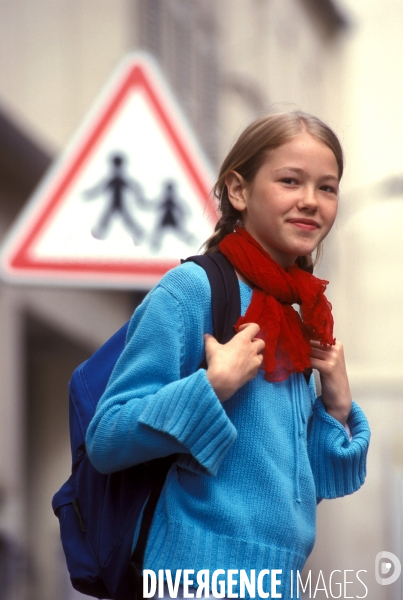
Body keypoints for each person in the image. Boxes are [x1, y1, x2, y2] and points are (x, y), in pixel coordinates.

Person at [86, 111, 370, 599]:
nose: (311, 201)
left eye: (327, 187)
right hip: (191, 578)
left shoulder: (300, 312)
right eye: (289, 181)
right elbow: (107, 438)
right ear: (238, 191)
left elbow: (300, 488)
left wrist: (337, 408)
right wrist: (211, 388)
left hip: (280, 581)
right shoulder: (192, 291)